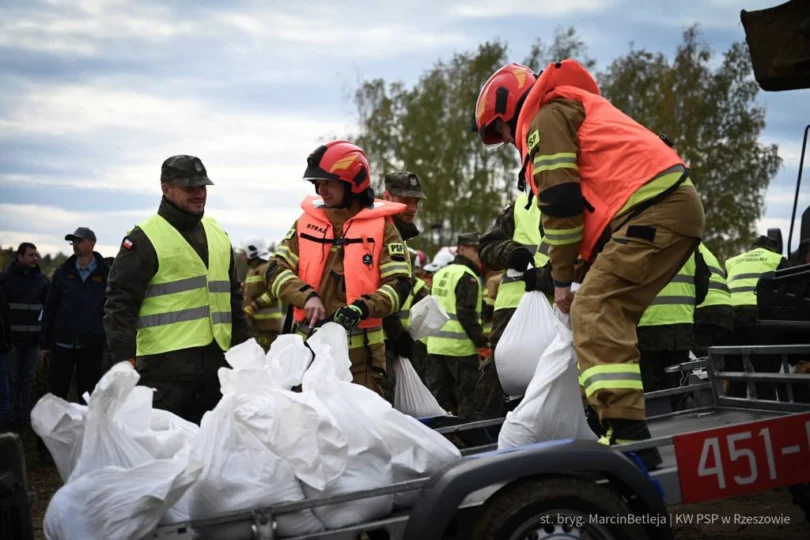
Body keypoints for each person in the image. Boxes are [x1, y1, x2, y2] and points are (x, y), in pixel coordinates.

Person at [473, 59, 705, 469]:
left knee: (596, 309)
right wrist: (576, 272)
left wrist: (562, 280)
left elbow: (562, 204)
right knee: (602, 310)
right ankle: (621, 429)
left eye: (503, 131)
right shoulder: (567, 108)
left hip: (655, 210)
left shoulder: (546, 117)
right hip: (659, 208)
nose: (509, 141)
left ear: (510, 110)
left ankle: (627, 439)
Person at [104, 155, 251, 424]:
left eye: (202, 187)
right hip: (164, 375)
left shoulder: (218, 234)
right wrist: (124, 365)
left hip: (216, 374)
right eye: (189, 187)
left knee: (212, 458)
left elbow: (233, 302)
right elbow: (119, 308)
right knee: (165, 459)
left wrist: (248, 354)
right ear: (166, 188)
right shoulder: (144, 239)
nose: (198, 193)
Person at [266, 141, 411, 398]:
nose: (320, 189)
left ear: (352, 181)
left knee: (361, 434)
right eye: (317, 183)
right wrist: (306, 296)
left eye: (327, 182)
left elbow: (400, 285)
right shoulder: (305, 223)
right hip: (307, 358)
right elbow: (275, 270)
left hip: (361, 365)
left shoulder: (383, 228)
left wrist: (361, 308)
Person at [475, 192, 554, 419]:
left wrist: (546, 278)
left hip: (563, 311)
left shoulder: (585, 200)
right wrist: (513, 253)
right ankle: (492, 440)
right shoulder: (523, 204)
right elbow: (487, 247)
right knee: (501, 386)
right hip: (512, 315)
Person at [40, 228, 109, 403]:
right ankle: (56, 429)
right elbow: (50, 308)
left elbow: (111, 309)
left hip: (92, 344)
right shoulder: (63, 273)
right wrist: (45, 344)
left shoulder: (105, 274)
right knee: (57, 393)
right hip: (62, 342)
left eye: (80, 240)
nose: (75, 245)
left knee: (88, 395)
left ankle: (86, 429)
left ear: (92, 243)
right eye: (73, 241)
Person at [426, 233, 487, 418]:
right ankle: (469, 440)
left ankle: (439, 438)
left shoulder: (441, 273)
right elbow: (466, 314)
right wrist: (481, 341)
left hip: (436, 346)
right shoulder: (466, 276)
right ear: (461, 249)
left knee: (439, 400)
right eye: (475, 249)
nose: (479, 254)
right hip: (459, 350)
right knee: (468, 400)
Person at [636, 252, 708, 411]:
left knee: (648, 385)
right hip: (680, 326)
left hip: (646, 325)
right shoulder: (689, 246)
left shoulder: (637, 242)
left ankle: (655, 426)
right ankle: (679, 422)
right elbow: (702, 287)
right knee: (676, 383)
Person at [725, 235, 790, 398]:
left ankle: (733, 412)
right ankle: (766, 411)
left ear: (752, 248)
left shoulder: (733, 261)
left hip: (731, 317)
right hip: (759, 317)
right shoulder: (777, 258)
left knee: (735, 373)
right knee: (764, 372)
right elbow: (789, 291)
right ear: (772, 249)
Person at [381, 172, 429, 381]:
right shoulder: (380, 231)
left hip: (388, 340)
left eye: (415, 202)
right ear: (387, 197)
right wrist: (397, 333)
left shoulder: (397, 234)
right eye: (405, 200)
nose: (412, 208)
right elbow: (379, 286)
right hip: (378, 342)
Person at [0, 242, 49, 429]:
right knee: (11, 380)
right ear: (20, 257)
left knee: (27, 379)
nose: (35, 258)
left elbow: (48, 309)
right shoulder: (5, 279)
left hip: (33, 341)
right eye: (31, 255)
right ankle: (9, 419)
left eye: (36, 255)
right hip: (11, 341)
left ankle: (24, 417)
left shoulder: (42, 281)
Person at [241, 239, 283, 352]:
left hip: (268, 327)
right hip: (256, 326)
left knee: (266, 359)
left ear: (252, 252)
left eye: (245, 253)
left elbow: (273, 292)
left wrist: (253, 307)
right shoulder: (252, 271)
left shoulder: (267, 268)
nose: (243, 256)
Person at [694, 243, 734, 357]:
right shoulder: (704, 249)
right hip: (726, 309)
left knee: (703, 364)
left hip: (703, 308)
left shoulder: (683, 244)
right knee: (719, 364)